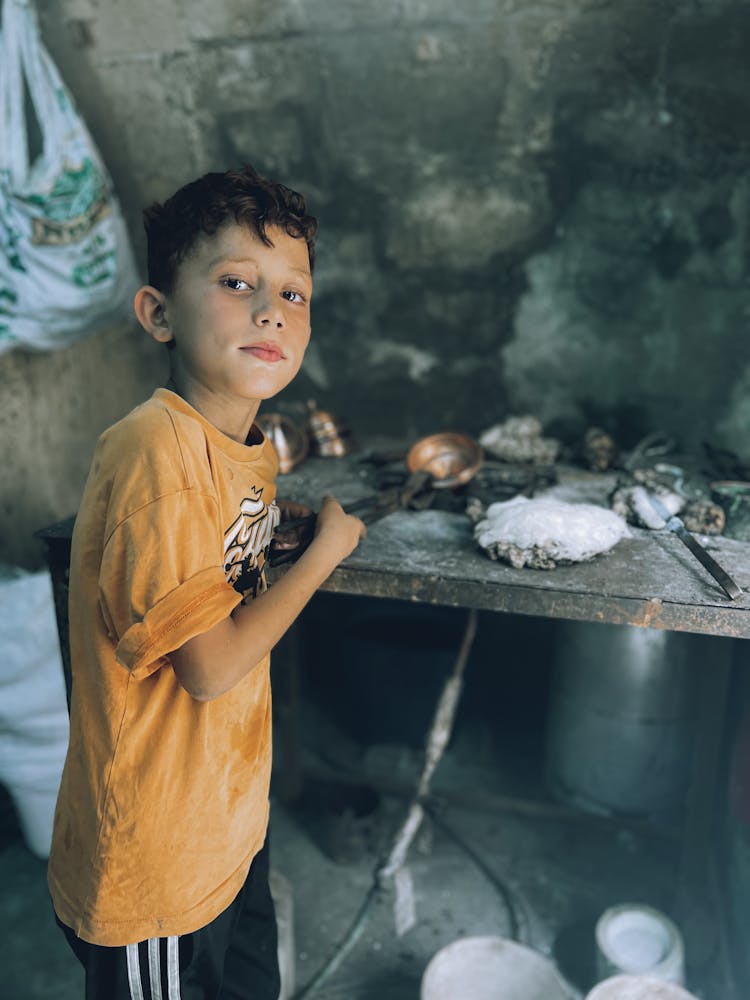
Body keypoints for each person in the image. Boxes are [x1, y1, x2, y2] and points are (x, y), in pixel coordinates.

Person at [47, 164, 366, 999]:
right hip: (158, 868)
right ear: (158, 312)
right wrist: (326, 552)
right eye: (236, 282)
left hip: (224, 824)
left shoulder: (244, 445)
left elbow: (214, 559)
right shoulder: (155, 451)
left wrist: (277, 529)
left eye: (294, 294)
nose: (271, 309)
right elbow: (211, 665)